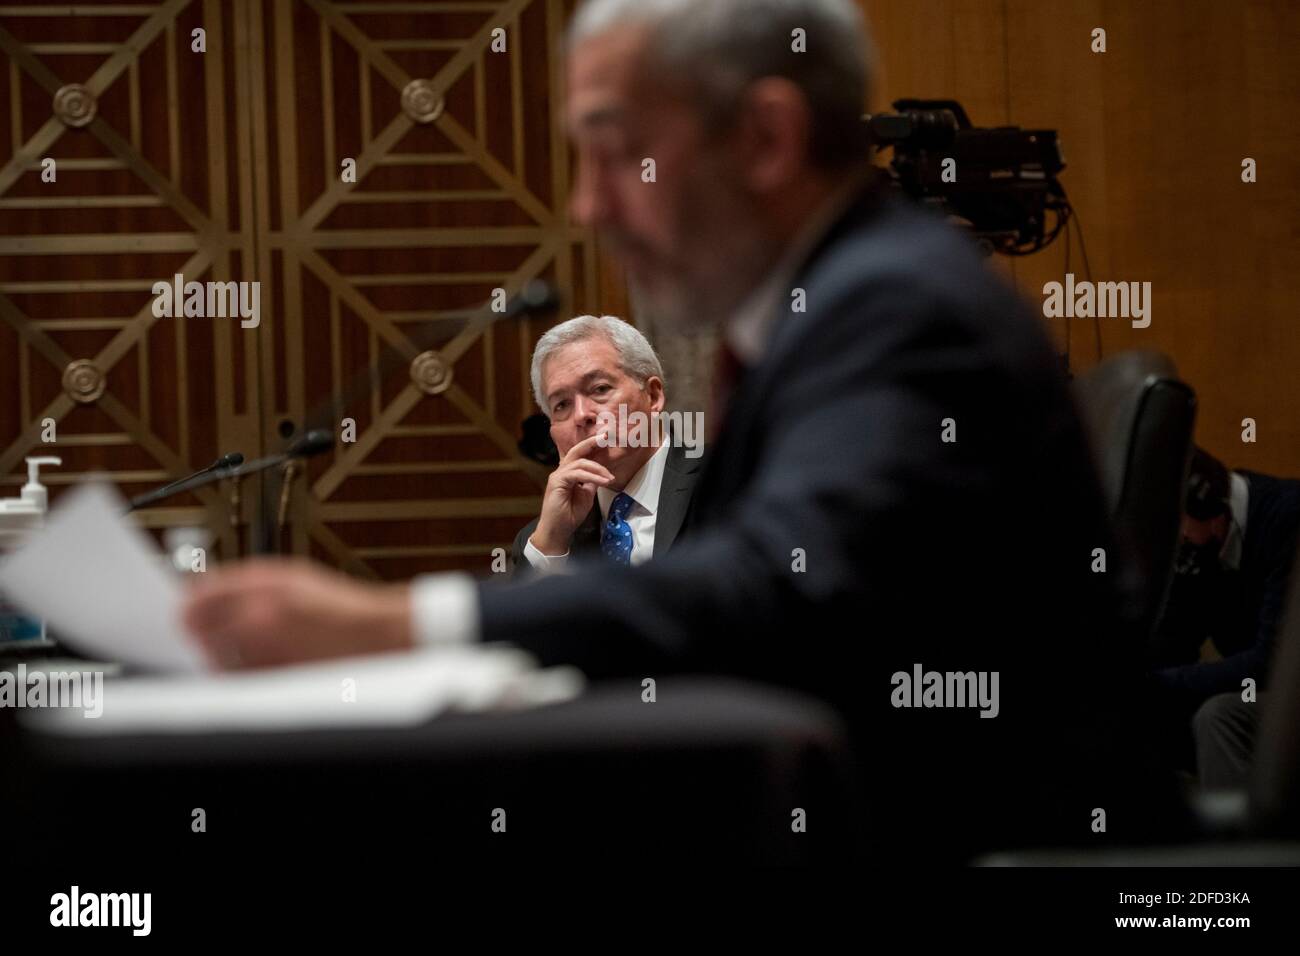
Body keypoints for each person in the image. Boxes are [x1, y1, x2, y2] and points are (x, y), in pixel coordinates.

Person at [183, 0, 1179, 859]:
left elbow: (780, 590)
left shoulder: (896, 309)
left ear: (764, 137)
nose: (584, 204)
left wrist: (398, 625)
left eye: (617, 153)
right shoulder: (836, 304)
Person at [510, 315, 702, 575]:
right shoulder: (542, 541)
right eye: (561, 405)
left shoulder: (727, 478)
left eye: (599, 389)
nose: (581, 415)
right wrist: (553, 542)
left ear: (653, 396)